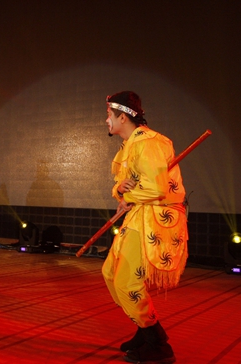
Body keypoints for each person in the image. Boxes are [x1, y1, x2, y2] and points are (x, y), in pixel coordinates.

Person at [102, 92, 188, 364]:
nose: (106, 120)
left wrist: (127, 195)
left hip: (153, 217)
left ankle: (158, 344)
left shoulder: (148, 143)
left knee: (126, 282)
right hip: (138, 215)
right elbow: (125, 185)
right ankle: (145, 329)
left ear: (123, 117)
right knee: (110, 273)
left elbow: (155, 189)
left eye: (109, 115)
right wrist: (120, 190)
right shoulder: (131, 144)